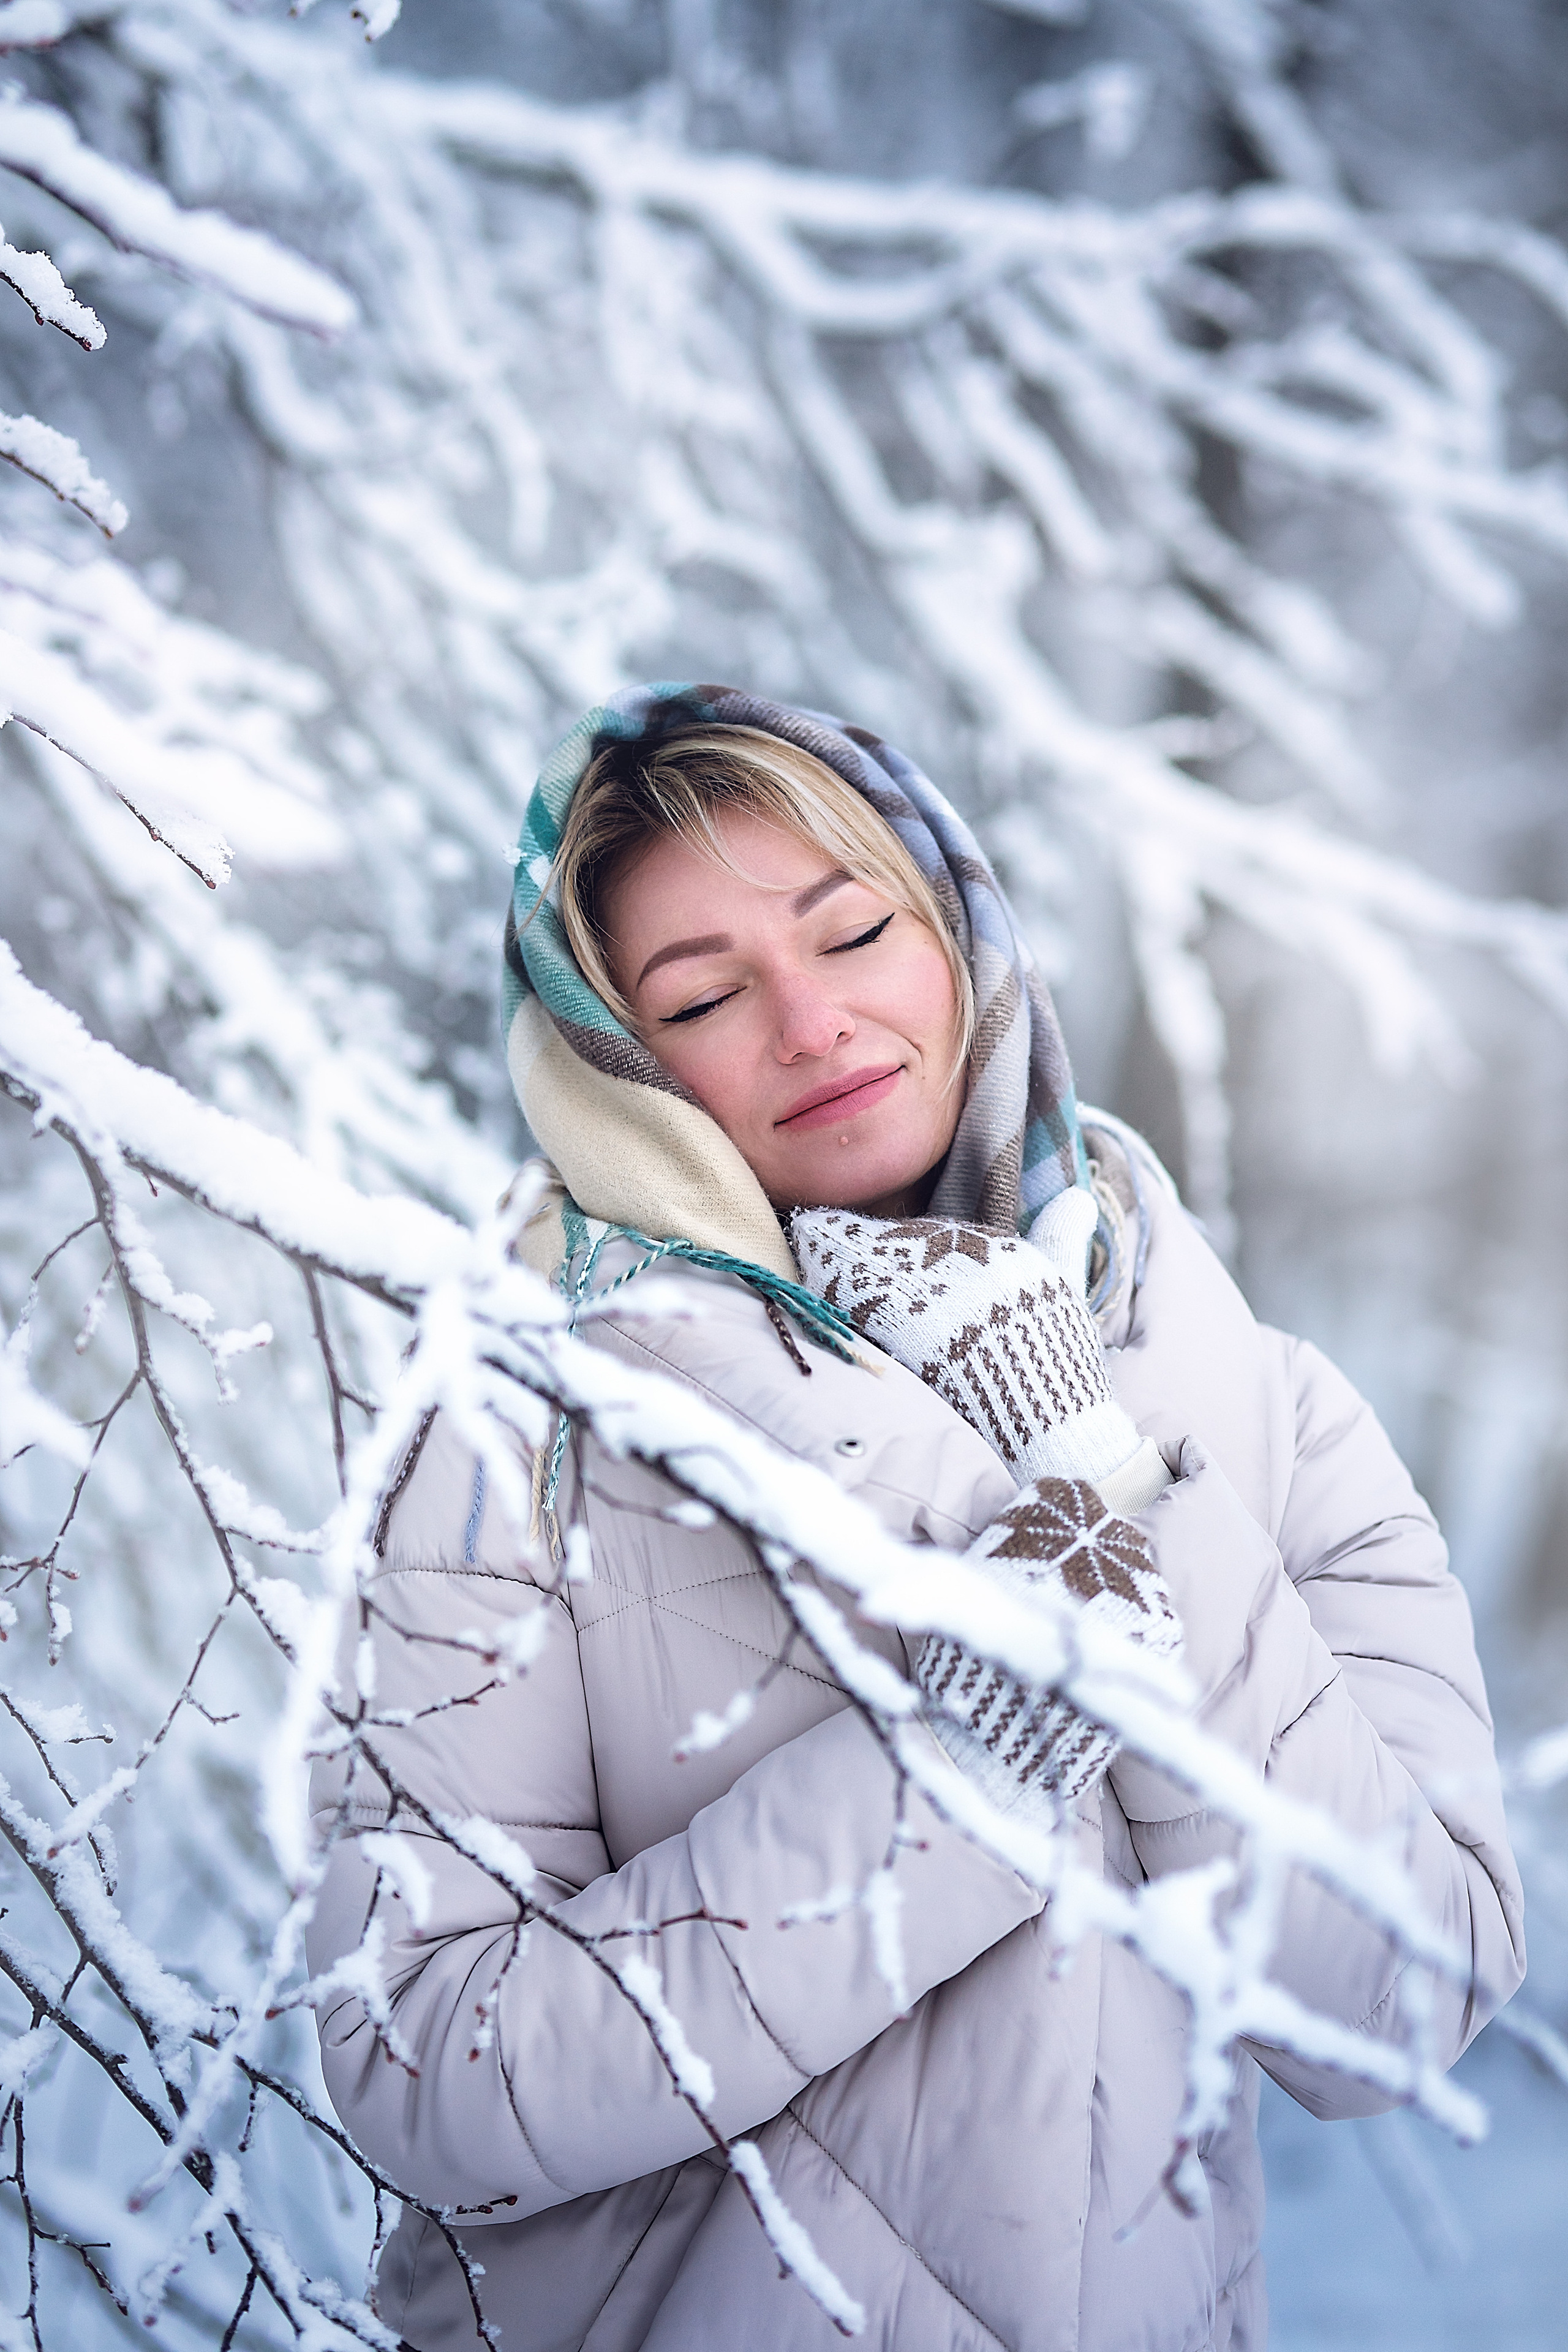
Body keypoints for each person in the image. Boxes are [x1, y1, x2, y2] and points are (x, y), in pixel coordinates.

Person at [307, 684, 1524, 2352]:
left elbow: (1406, 1998)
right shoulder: (515, 1435)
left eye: (854, 927)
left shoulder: (1258, 1399)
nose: (810, 1021)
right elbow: (422, 2064)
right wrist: (956, 1783)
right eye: (708, 992)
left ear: (958, 936)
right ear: (620, 1070)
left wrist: (1087, 1453)